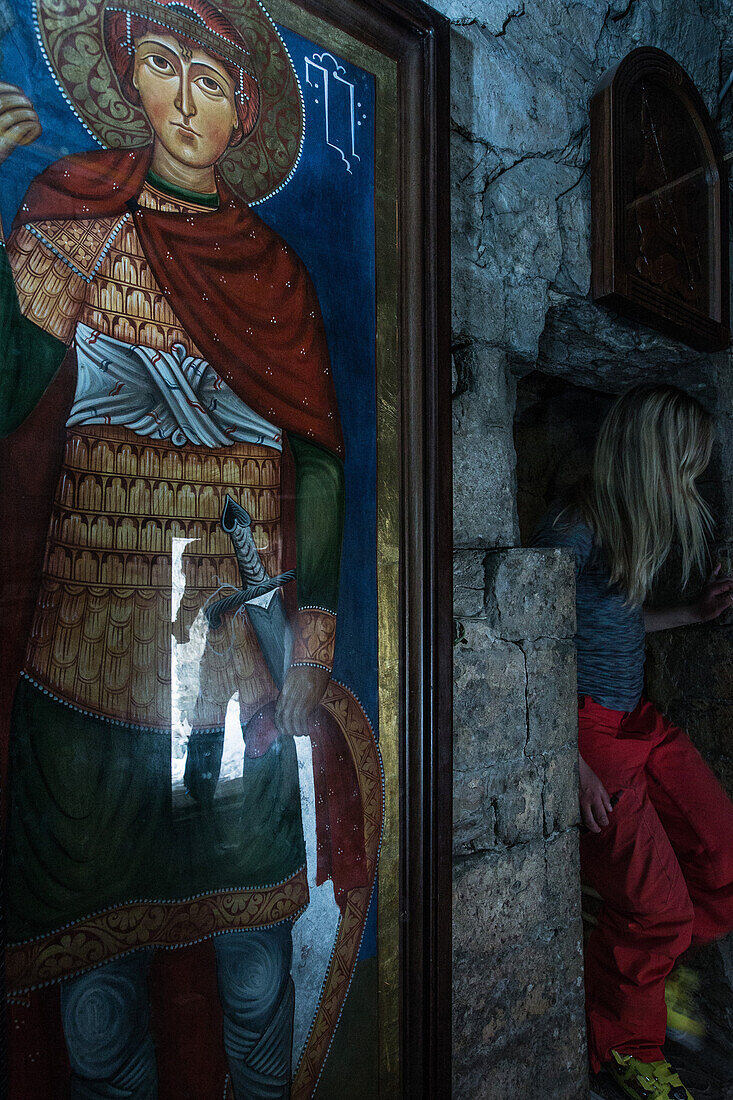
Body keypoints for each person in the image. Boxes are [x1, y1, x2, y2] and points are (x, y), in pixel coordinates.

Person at [0, 0, 373, 1095]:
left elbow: (317, 461)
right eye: (161, 65)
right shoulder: (73, 220)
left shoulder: (276, 276)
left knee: (257, 979)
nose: (183, 98)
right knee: (100, 999)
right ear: (127, 77)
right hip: (80, 659)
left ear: (243, 109)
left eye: (212, 80)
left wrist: (313, 640)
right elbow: (10, 390)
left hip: (235, 673)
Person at [531, 384, 733, 1100]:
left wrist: (687, 614)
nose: (691, 481)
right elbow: (530, 654)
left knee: (722, 855)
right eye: (685, 464)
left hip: (635, 722)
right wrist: (568, 761)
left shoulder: (616, 525)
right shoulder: (573, 527)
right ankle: (628, 1044)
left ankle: (648, 966)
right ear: (652, 459)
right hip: (588, 733)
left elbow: (609, 629)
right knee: (655, 908)